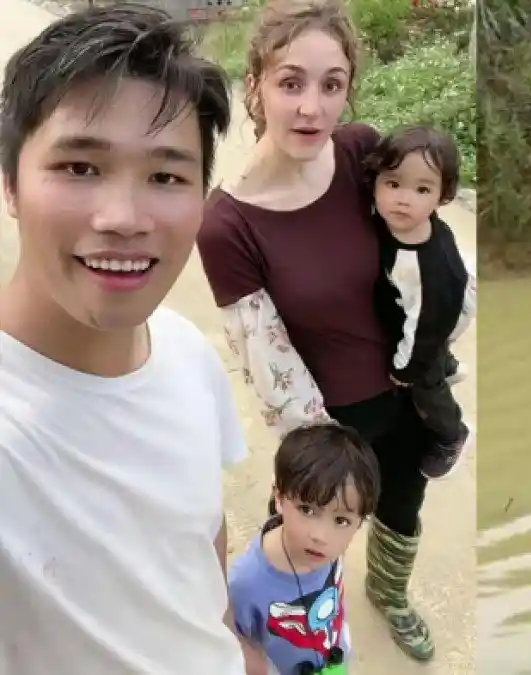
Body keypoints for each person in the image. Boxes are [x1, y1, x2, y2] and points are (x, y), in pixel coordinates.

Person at [0, 4, 243, 674]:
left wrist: (230, 641)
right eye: (80, 167)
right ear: (9, 182)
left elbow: (200, 533)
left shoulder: (188, 352)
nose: (123, 218)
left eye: (166, 176)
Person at [195, 2, 440, 662]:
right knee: (311, 536)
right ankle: (286, 631)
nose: (312, 107)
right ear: (256, 85)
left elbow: (417, 251)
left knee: (402, 504)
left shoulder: (362, 151)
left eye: (331, 84)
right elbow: (267, 362)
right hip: (329, 419)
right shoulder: (228, 225)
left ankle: (390, 595)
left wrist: (430, 355)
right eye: (291, 82)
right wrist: (328, 456)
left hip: (406, 391)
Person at [367, 124, 475, 481]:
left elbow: (426, 326)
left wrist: (404, 370)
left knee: (423, 385)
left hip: (442, 309)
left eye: (422, 189)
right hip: (427, 304)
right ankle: (446, 363)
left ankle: (452, 434)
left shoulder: (428, 268)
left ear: (442, 197)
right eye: (393, 183)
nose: (403, 198)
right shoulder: (390, 220)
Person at [229, 423, 381, 675]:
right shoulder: (246, 584)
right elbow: (236, 646)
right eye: (307, 510)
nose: (320, 537)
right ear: (279, 497)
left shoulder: (332, 551)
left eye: (341, 520)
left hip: (333, 655)